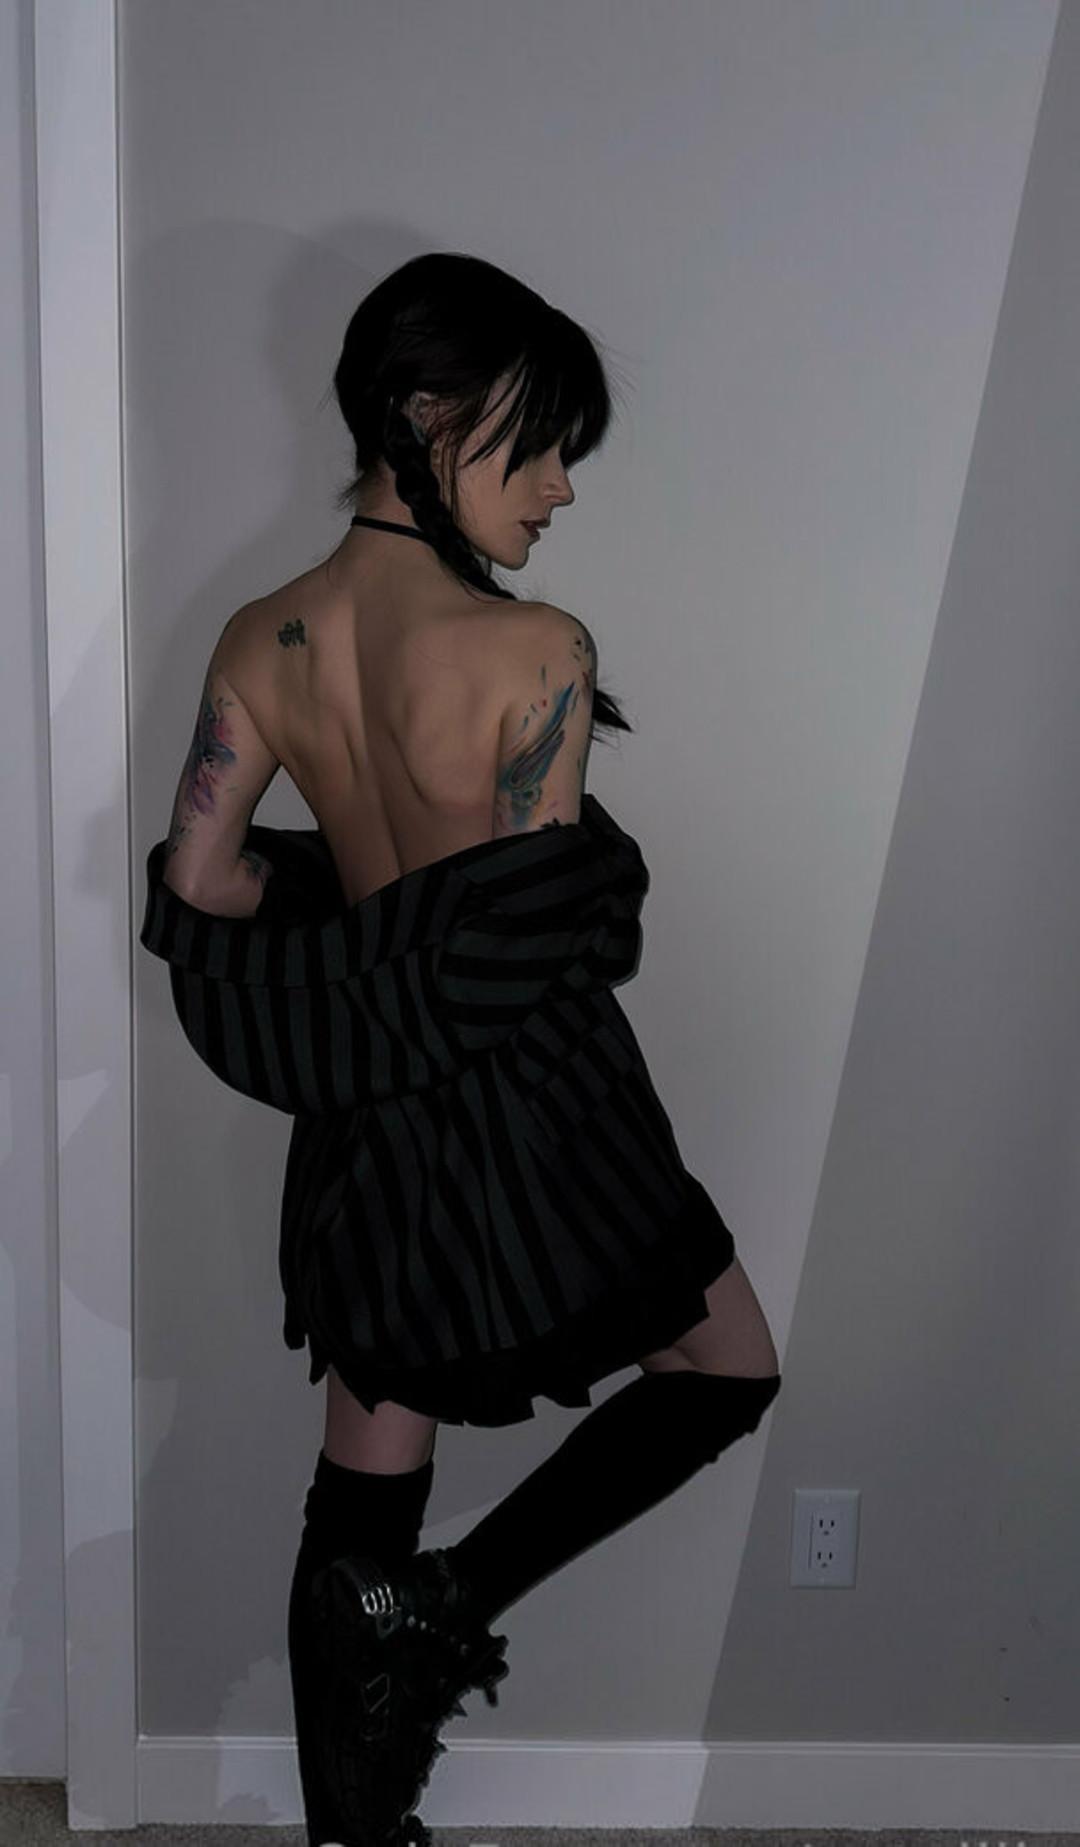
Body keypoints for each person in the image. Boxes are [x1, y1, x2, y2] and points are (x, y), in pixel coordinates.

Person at [139, 252, 781, 1847]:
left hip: (366, 1106)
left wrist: (339, 910)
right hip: (538, 1098)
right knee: (725, 1366)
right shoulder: (537, 649)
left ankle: (351, 1831)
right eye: (540, 443)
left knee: (363, 1476)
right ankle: (442, 1603)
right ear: (428, 416)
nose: (562, 487)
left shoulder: (262, 638)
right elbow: (522, 925)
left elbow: (201, 881)